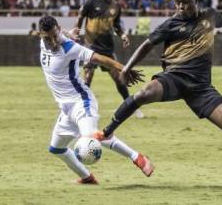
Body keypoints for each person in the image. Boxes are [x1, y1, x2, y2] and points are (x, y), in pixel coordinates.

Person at [97, 0, 222, 189]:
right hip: (174, 77)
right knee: (143, 93)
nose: (180, 7)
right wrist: (126, 69)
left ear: (195, 1)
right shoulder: (170, 24)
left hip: (201, 87)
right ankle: (106, 133)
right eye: (177, 3)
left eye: (184, 2)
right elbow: (147, 44)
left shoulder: (209, 16)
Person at [38, 15, 154, 184]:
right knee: (57, 148)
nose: (53, 40)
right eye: (48, 37)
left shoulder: (70, 48)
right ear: (41, 35)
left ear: (58, 29)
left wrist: (125, 69)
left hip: (81, 102)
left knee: (92, 138)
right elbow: (58, 33)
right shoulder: (46, 40)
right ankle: (87, 178)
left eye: (55, 35)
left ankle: (138, 157)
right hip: (65, 109)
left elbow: (100, 58)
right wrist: (68, 32)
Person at [75, 0, 144, 118]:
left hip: (107, 49)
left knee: (119, 79)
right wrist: (76, 30)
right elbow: (81, 15)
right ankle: (81, 108)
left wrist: (123, 35)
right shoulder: (90, 2)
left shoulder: (116, 6)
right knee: (87, 78)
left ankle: (130, 107)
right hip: (91, 47)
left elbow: (117, 25)